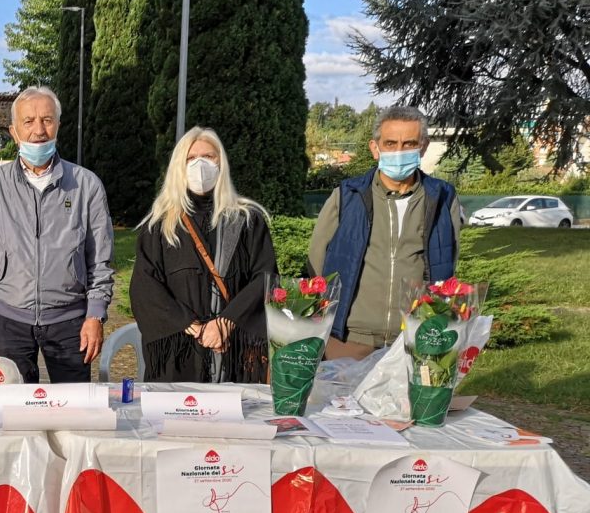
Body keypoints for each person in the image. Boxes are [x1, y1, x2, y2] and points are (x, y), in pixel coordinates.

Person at [0, 85, 115, 384]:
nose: (38, 130)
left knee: (72, 409)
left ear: (58, 125)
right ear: (14, 131)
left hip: (70, 321)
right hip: (9, 320)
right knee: (12, 412)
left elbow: (100, 259)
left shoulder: (86, 185)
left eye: (47, 120)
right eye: (28, 121)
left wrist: (95, 314)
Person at [308, 104, 462, 360]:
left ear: (422, 147)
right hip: (349, 339)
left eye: (409, 143)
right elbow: (316, 259)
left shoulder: (442, 197)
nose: (399, 151)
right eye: (390, 143)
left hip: (412, 339)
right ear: (375, 148)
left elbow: (448, 258)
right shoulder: (348, 196)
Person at [129, 127, 277, 383]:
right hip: (179, 353)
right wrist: (193, 326)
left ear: (221, 163)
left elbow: (265, 277)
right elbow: (145, 286)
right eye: (191, 158)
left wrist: (226, 322)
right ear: (179, 165)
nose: (200, 164)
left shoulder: (246, 220)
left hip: (233, 350)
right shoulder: (160, 225)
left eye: (209, 157)